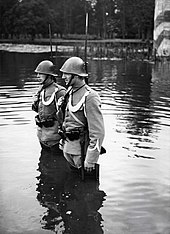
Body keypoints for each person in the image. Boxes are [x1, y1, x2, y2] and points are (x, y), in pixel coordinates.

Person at [58, 56, 105, 173]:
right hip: (68, 148)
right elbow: (66, 120)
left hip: (82, 153)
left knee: (88, 187)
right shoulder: (69, 92)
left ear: (76, 75)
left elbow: (98, 132)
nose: (63, 77)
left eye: (66, 74)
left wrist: (91, 159)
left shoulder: (90, 97)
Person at [32, 60, 66, 148]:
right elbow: (39, 111)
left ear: (49, 75)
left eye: (41, 74)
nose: (38, 76)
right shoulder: (41, 91)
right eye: (38, 74)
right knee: (43, 160)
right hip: (42, 137)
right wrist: (35, 101)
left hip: (55, 140)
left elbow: (66, 116)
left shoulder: (59, 92)